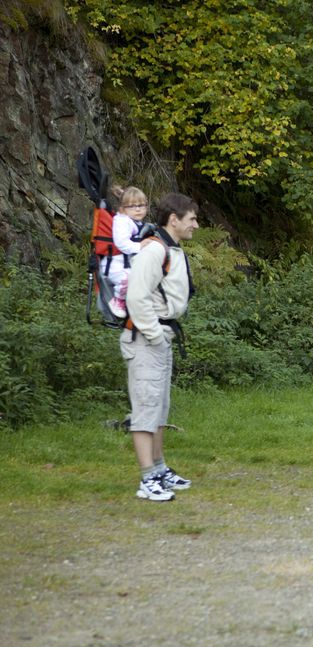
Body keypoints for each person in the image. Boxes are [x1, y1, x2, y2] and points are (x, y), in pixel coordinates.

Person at [122, 193, 197, 501]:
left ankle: (159, 468)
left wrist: (161, 336)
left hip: (159, 338)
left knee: (159, 409)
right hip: (145, 339)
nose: (196, 224)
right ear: (173, 219)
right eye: (191, 218)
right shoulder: (154, 250)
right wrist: (154, 334)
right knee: (145, 409)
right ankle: (147, 479)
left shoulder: (170, 249)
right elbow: (136, 298)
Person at [105, 186, 148, 318]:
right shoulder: (122, 222)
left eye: (141, 205)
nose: (138, 209)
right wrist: (139, 246)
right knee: (128, 279)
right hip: (115, 263)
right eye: (132, 206)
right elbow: (122, 243)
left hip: (128, 261)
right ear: (123, 209)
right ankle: (118, 300)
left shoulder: (135, 222)